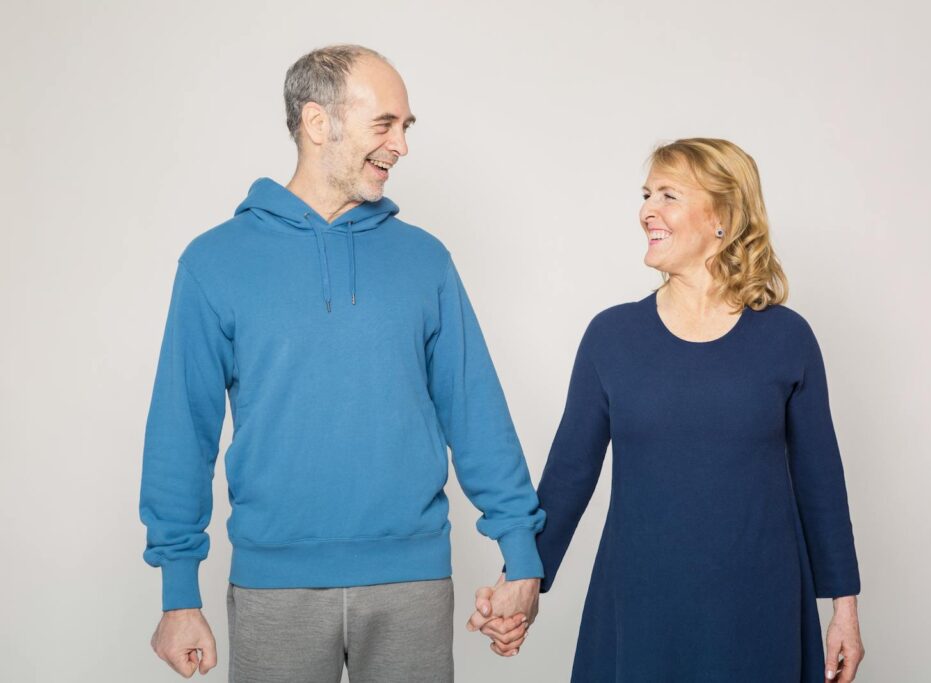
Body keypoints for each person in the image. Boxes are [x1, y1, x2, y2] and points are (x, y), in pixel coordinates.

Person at [139, 44, 543, 682]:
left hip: (412, 582)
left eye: (405, 127)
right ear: (317, 123)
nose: (401, 145)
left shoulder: (425, 260)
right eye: (385, 124)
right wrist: (177, 593)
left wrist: (520, 552)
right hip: (275, 587)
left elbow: (476, 411)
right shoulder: (214, 262)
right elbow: (179, 433)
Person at [469, 138, 865, 681]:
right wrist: (523, 578)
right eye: (647, 194)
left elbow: (821, 479)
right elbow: (567, 478)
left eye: (669, 195)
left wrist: (844, 611)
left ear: (722, 216)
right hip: (639, 606)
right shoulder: (612, 336)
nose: (647, 211)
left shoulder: (786, 338)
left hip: (759, 607)